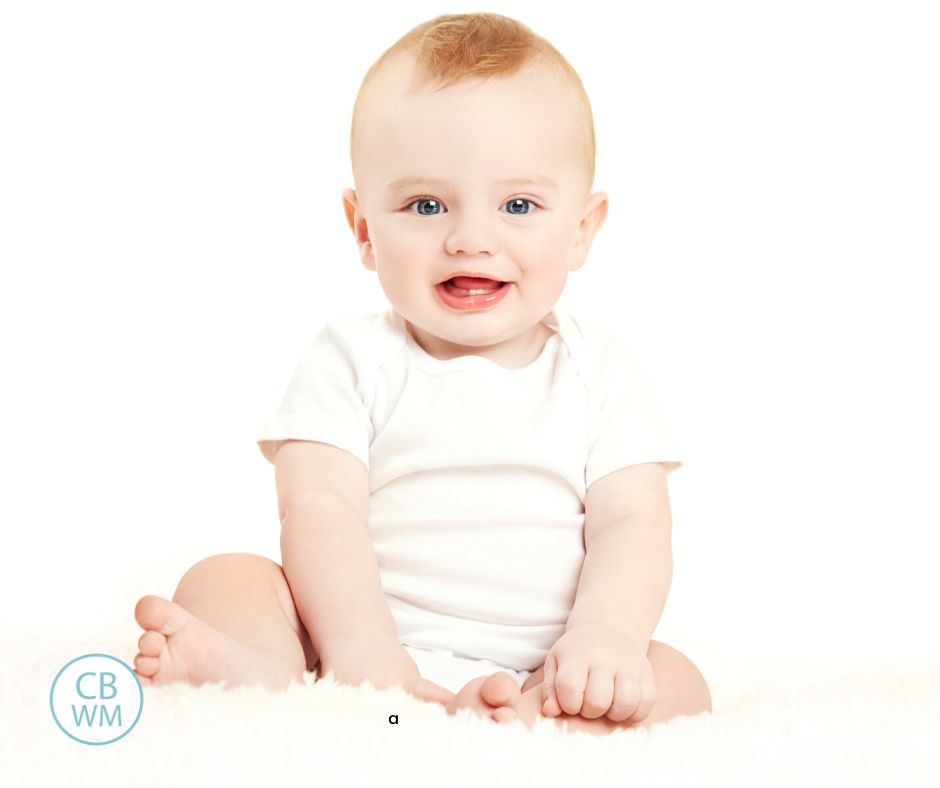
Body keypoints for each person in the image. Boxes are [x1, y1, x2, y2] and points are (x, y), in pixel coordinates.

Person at [131, 12, 712, 735]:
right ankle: (269, 671)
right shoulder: (351, 359)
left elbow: (635, 525)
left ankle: (537, 712)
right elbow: (320, 511)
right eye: (427, 205)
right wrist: (365, 652)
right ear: (364, 229)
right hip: (357, 640)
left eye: (520, 205)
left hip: (544, 657)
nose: (471, 237)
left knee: (676, 677)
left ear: (583, 231)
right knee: (226, 576)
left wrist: (605, 639)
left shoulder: (602, 373)